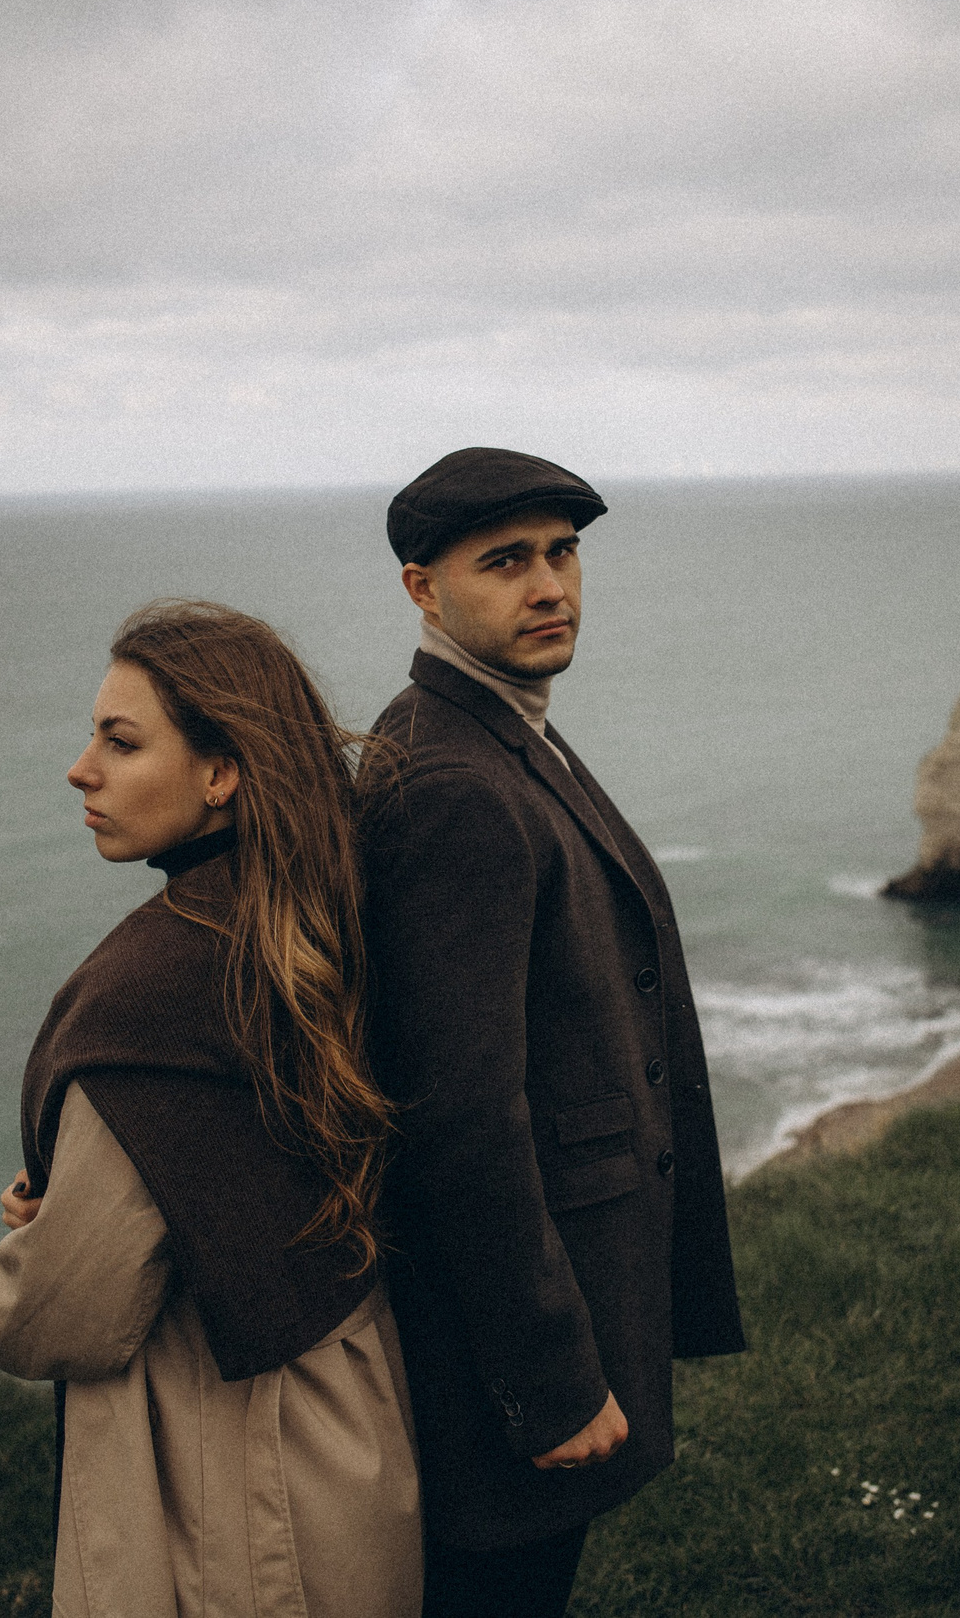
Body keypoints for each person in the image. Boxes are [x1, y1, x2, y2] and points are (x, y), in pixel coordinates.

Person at [360, 447, 747, 1617]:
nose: (551, 587)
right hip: (511, 1362)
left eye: (564, 553)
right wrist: (550, 1383)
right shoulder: (451, 786)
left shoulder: (497, 731)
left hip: (561, 1309)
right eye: (508, 561)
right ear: (423, 590)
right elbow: (460, 1117)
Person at [0, 599, 422, 1618]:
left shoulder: (148, 998)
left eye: (119, 741)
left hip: (224, 1490)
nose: (79, 768)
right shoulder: (324, 924)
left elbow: (59, 1319)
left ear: (221, 773)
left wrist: (37, 1240)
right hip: (352, 1435)